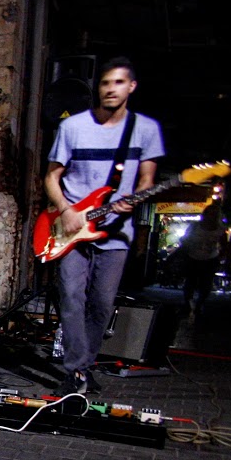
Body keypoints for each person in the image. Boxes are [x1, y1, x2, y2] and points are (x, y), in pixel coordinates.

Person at [45, 56, 165, 395]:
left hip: (116, 231)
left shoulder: (145, 130)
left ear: (131, 87)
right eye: (105, 83)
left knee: (101, 303)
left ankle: (84, 366)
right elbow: (51, 177)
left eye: (118, 82)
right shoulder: (72, 127)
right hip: (71, 228)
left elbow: (147, 180)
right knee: (71, 297)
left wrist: (134, 199)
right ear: (97, 87)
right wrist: (66, 209)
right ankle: (75, 371)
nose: (111, 89)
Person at [179, 204, 225, 317]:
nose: (211, 216)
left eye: (214, 214)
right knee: (190, 282)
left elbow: (224, 245)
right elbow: (185, 239)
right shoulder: (195, 226)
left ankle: (199, 304)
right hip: (193, 257)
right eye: (210, 213)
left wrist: (220, 257)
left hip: (210, 259)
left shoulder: (220, 229)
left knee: (206, 284)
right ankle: (188, 303)